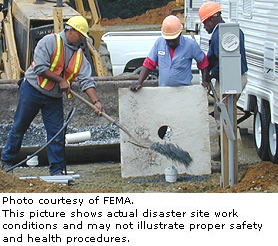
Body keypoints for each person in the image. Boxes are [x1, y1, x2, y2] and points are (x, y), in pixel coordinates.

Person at [0, 16, 104, 175]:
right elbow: (40, 67)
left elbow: (86, 80)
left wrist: (96, 101)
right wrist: (61, 81)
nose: (82, 39)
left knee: (56, 134)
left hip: (53, 97)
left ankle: (57, 171)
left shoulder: (79, 55)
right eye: (80, 35)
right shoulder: (49, 41)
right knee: (19, 127)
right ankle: (5, 163)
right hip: (32, 90)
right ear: (70, 31)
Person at [198, 1, 248, 162]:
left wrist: (210, 73)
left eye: (205, 23)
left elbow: (222, 61)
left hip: (229, 79)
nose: (204, 27)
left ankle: (229, 159)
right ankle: (225, 155)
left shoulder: (221, 34)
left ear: (211, 20)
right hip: (234, 78)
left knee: (224, 117)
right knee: (225, 114)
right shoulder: (232, 31)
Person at [129, 15, 209, 92]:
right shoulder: (159, 43)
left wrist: (205, 81)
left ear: (180, 34)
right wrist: (139, 82)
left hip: (184, 91)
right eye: (168, 40)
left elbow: (203, 62)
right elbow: (149, 64)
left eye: (173, 40)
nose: (171, 43)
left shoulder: (190, 45)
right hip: (164, 91)